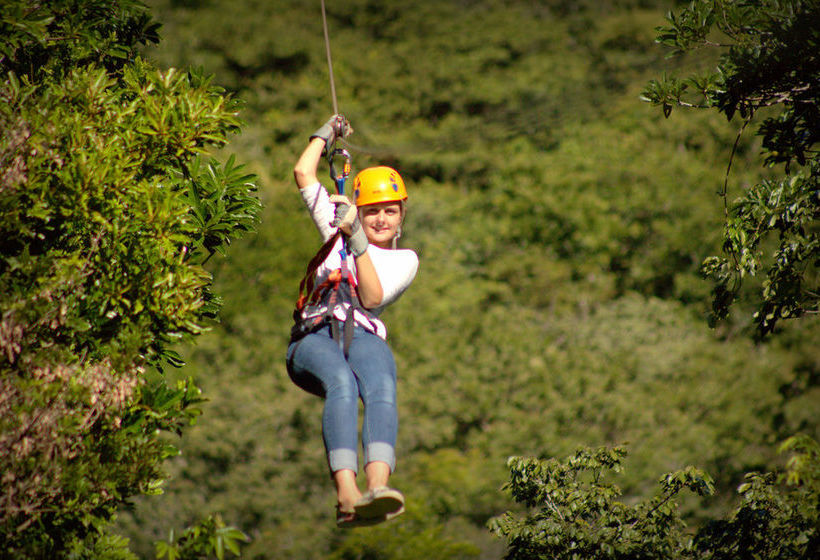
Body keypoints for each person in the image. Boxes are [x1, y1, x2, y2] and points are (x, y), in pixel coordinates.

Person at [286, 115, 419, 528]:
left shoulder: (404, 259)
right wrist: (326, 134)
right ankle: (347, 495)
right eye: (373, 211)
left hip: (361, 333)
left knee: (381, 384)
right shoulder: (337, 222)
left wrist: (356, 234)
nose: (381, 219)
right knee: (342, 385)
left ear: (401, 216)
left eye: (389, 212)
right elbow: (303, 172)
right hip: (315, 336)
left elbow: (372, 297)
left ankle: (378, 486)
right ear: (361, 208)